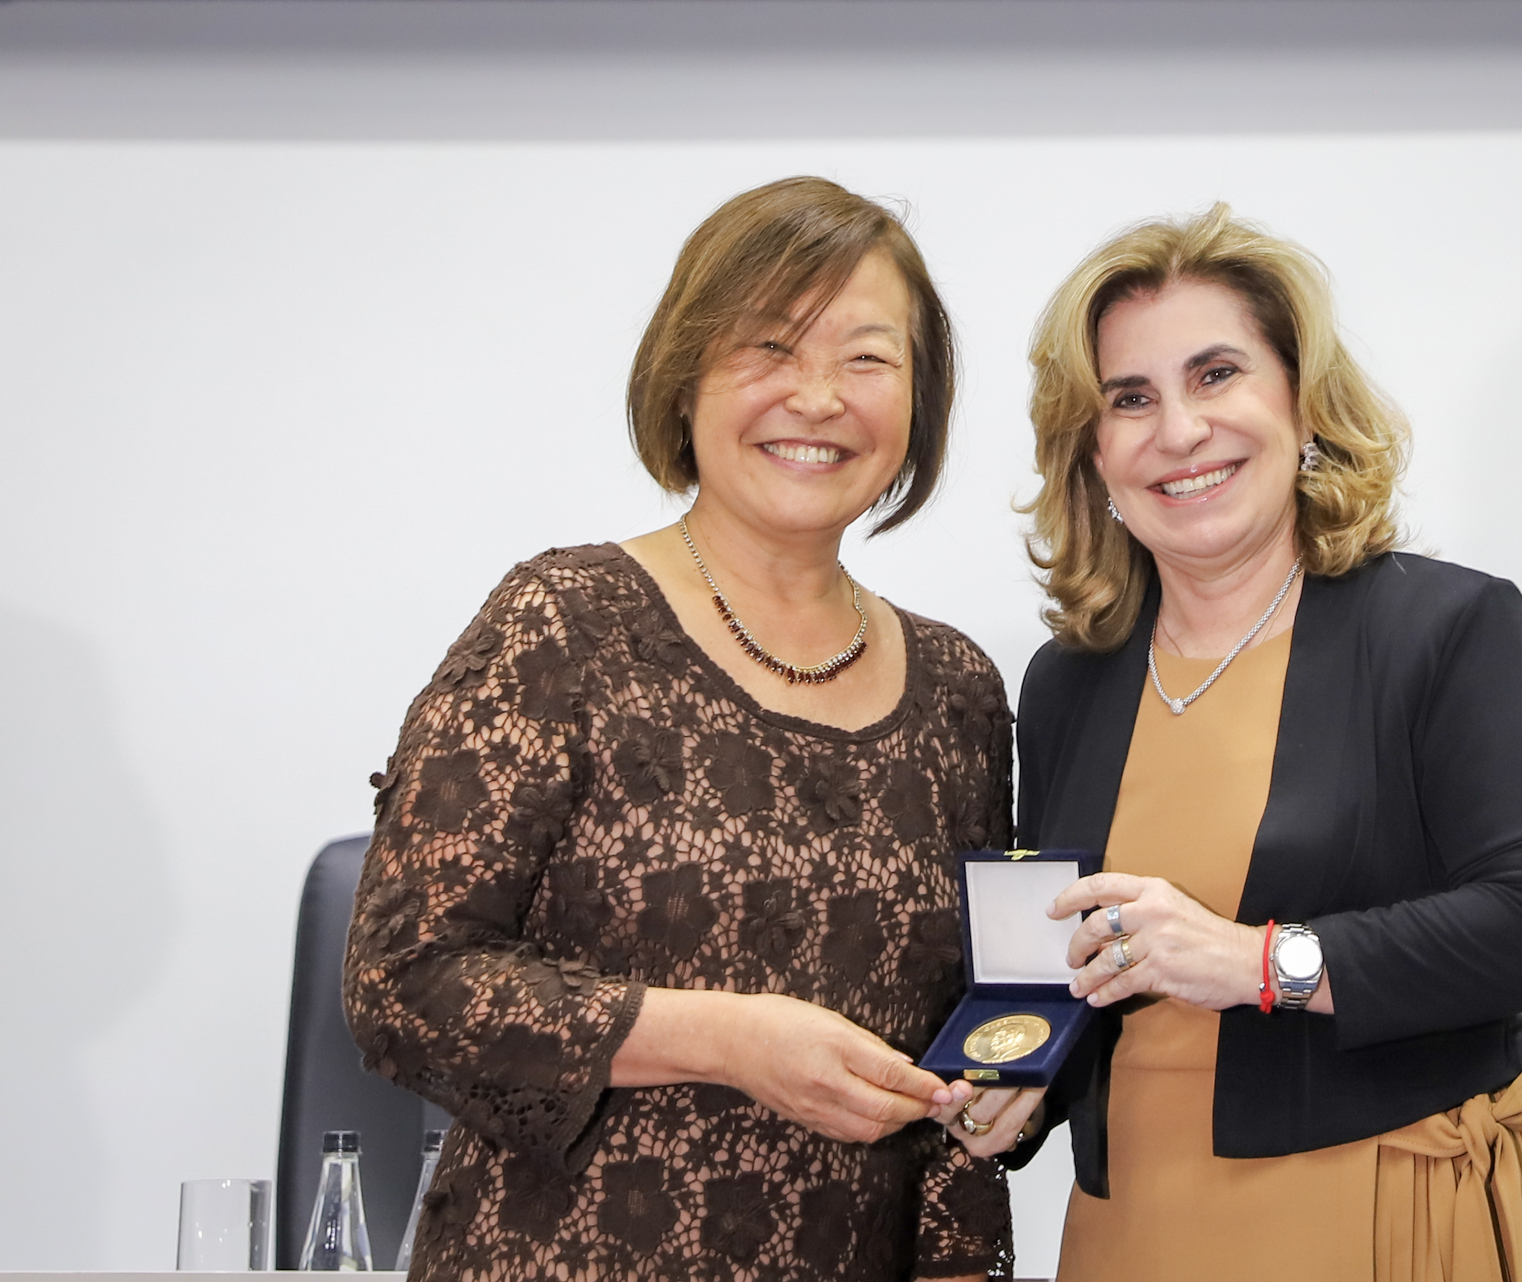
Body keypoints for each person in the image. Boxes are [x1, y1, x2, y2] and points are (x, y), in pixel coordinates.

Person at [344, 177, 1037, 1282]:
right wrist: (731, 1041)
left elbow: (969, 1051)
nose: (818, 397)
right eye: (771, 348)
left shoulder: (957, 690)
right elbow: (403, 981)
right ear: (685, 376)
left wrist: (1006, 1099)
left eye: (867, 359)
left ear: (920, 404)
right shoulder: (564, 623)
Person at [1002, 204, 1522, 1281]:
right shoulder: (1070, 682)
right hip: (1135, 1227)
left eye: (1216, 375)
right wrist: (1015, 1087)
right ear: (1093, 452)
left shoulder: (1442, 629)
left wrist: (1258, 962)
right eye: (1129, 398)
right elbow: (1078, 972)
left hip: (1390, 1213)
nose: (1178, 430)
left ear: (1301, 401)